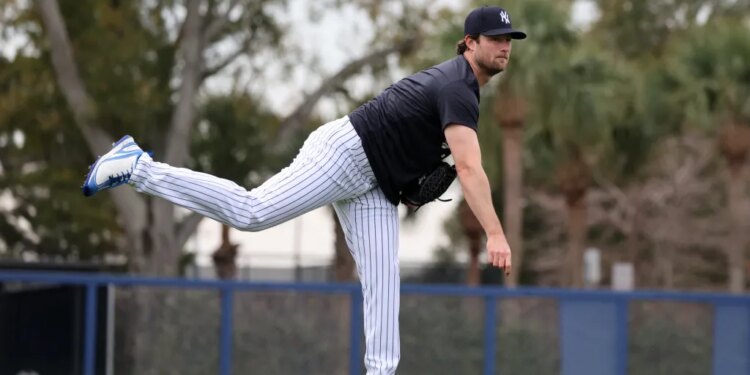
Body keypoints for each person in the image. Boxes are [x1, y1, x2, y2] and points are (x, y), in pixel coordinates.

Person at [82, 5, 524, 374]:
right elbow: (468, 167)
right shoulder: (456, 87)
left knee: (384, 279)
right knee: (252, 212)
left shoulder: (461, 89)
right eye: (494, 37)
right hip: (345, 154)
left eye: (509, 39)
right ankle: (138, 167)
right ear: (470, 42)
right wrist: (496, 232)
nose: (504, 45)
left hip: (374, 185)